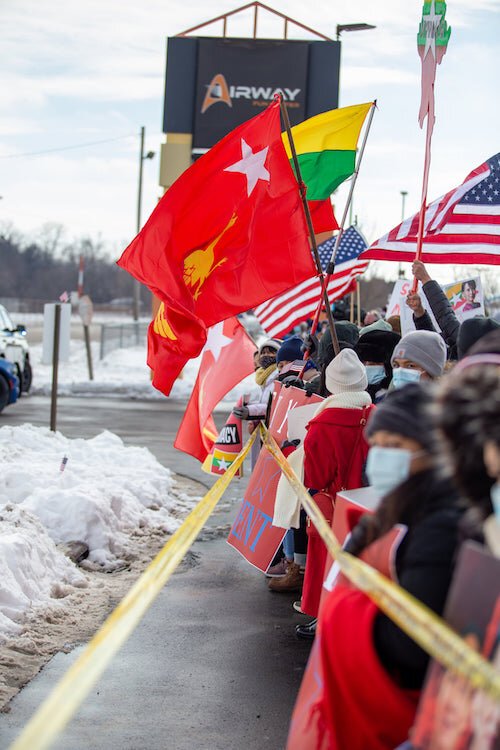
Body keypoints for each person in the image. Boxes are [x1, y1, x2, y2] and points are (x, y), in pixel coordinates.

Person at [287, 383, 466, 750]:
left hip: (404, 716)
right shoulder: (395, 508)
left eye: (397, 447)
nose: (383, 456)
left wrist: (346, 610)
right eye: (379, 444)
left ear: (435, 450)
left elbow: (412, 644)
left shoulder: (441, 524)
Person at [354, 328, 401, 403]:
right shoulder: (355, 396)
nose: (366, 367)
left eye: (373, 364)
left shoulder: (399, 399)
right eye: (363, 362)